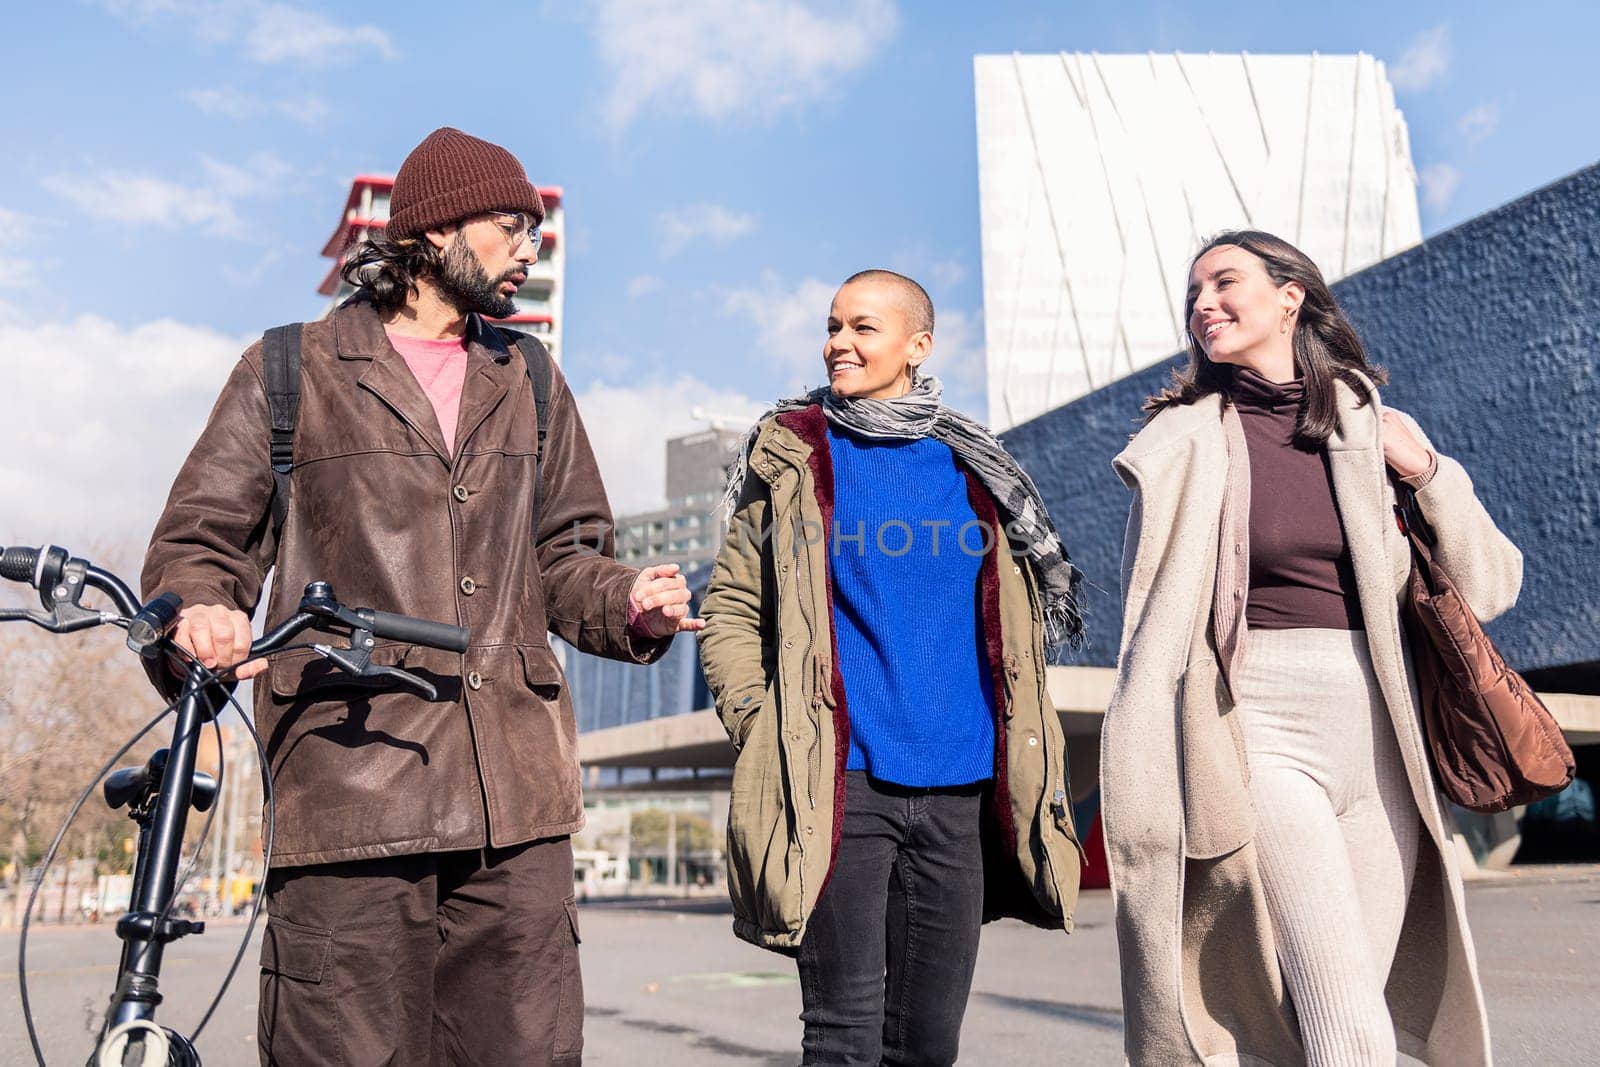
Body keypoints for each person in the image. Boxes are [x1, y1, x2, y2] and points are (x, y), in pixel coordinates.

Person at [142, 127, 702, 1066]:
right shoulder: (289, 369)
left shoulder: (530, 377)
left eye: (537, 231)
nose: (532, 248)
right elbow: (200, 543)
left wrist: (629, 600)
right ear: (436, 230)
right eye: (511, 226)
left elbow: (568, 558)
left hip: (514, 806)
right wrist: (200, 609)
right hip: (349, 792)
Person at [1102, 230, 1521, 1065]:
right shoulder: (1186, 443)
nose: (1203, 305)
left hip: (1379, 732)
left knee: (1326, 1012)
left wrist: (1430, 469)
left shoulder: (1370, 427)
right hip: (1257, 724)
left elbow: (1491, 586)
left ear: (1290, 295)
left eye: (1224, 282)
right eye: (1193, 295)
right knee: (1349, 1026)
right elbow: (1146, 615)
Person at [699, 270, 1085, 1065]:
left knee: (928, 1043)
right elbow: (734, 607)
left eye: (863, 328)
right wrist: (760, 721)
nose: (838, 342)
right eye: (833, 326)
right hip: (841, 783)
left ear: (918, 346)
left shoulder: (975, 469)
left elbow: (1015, 627)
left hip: (959, 788)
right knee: (843, 1033)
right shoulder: (793, 455)